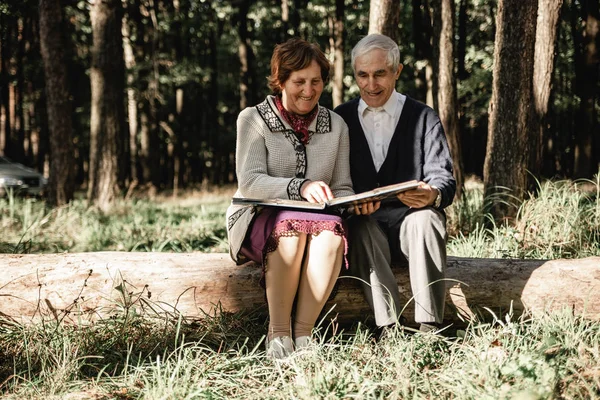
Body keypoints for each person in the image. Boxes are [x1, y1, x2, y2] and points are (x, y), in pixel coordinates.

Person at [226, 38, 354, 359]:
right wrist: (300, 187)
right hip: (257, 216)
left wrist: (353, 202)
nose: (308, 91)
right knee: (292, 227)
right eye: (299, 82)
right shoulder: (253, 119)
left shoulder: (336, 125)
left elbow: (342, 187)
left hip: (318, 219)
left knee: (331, 236)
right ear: (280, 80)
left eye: (316, 82)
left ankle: (304, 334)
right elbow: (251, 182)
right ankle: (278, 333)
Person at [334, 34, 456, 333]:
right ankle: (388, 326)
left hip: (411, 223)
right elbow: (331, 179)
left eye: (380, 74)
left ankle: (429, 325)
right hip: (367, 226)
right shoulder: (339, 119)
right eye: (363, 75)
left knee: (426, 220)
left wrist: (432, 194)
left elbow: (443, 176)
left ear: (397, 71)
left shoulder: (423, 116)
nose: (371, 85)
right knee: (360, 228)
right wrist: (350, 203)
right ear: (354, 74)